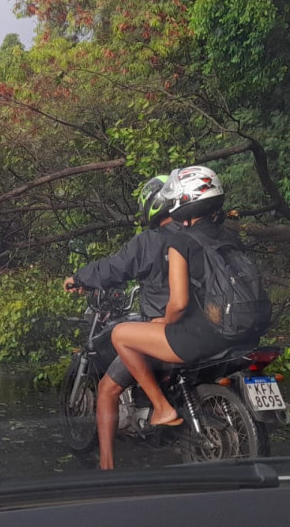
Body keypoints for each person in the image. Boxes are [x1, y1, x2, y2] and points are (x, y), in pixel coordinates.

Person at [111, 165, 261, 428]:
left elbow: (179, 303)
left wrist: (165, 321)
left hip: (208, 335)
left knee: (120, 334)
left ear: (184, 201)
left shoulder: (181, 242)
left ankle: (161, 408)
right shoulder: (231, 237)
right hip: (245, 330)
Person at [63, 174, 175, 470]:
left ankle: (107, 467)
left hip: (166, 330)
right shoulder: (197, 236)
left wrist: (79, 278)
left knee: (107, 389)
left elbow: (114, 267)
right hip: (206, 326)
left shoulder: (149, 242)